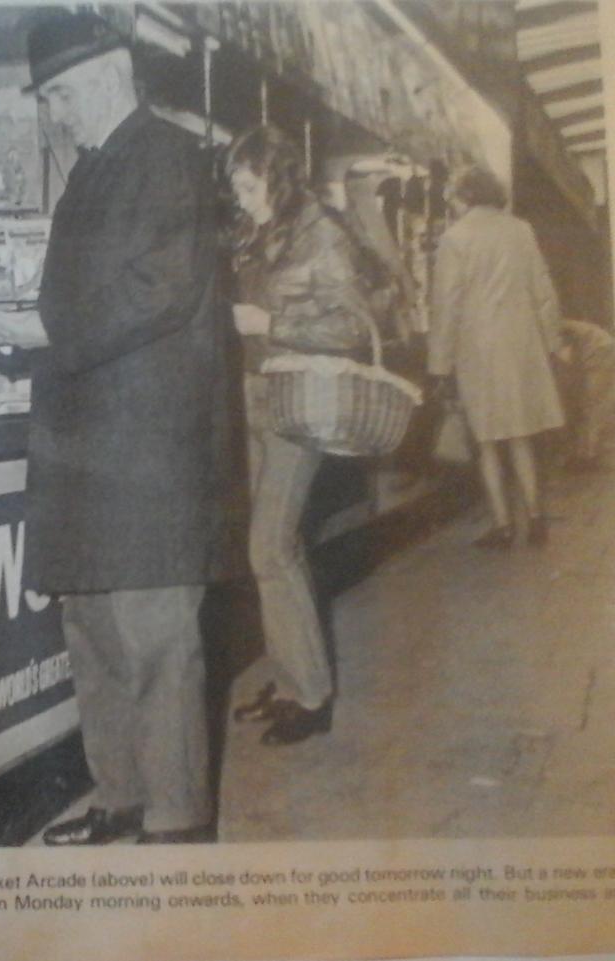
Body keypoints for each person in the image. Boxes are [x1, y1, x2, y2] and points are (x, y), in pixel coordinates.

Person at [0, 10, 237, 844]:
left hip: (147, 449)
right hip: (89, 448)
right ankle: (120, 791)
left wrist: (48, 332)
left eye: (57, 95)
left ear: (104, 78)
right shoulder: (93, 171)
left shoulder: (168, 157)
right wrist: (22, 336)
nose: (53, 113)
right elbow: (81, 305)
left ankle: (178, 813)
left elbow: (160, 286)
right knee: (92, 631)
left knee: (157, 635)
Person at [226, 125, 374, 745]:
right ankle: (289, 680)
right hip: (255, 398)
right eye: (234, 187)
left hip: (298, 404)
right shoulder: (255, 233)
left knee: (270, 546)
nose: (240, 198)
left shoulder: (323, 235)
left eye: (249, 185)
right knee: (272, 552)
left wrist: (270, 320)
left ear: (278, 180)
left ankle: (312, 696)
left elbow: (350, 327)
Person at [429, 165, 565, 548]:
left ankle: (503, 525)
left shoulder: (454, 238)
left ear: (465, 196)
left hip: (479, 350)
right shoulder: (521, 230)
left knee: (488, 441)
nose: (451, 205)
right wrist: (553, 342)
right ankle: (537, 519)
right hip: (521, 348)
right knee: (521, 435)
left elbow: (447, 305)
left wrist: (439, 365)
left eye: (452, 197)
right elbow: (543, 291)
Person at [555, 318, 615, 470]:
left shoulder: (558, 330)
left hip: (599, 348)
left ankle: (591, 454)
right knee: (587, 404)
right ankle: (586, 453)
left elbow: (568, 361)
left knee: (595, 403)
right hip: (587, 350)